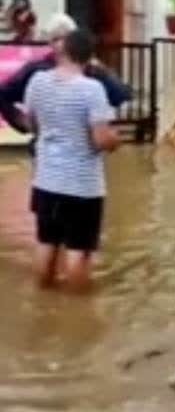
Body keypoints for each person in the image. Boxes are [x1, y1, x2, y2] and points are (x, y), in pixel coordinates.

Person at [22, 30, 120, 290]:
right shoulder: (92, 90)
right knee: (79, 249)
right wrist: (114, 139)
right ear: (90, 57)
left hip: (46, 180)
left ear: (62, 52)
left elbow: (31, 123)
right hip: (82, 186)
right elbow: (101, 140)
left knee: (46, 242)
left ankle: (42, 299)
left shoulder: (37, 81)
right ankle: (77, 314)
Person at [0, 13, 132, 139]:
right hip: (47, 149)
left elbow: (120, 95)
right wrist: (22, 123)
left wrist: (100, 69)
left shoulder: (91, 70)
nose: (61, 44)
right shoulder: (36, 71)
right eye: (56, 39)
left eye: (66, 37)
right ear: (49, 43)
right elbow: (3, 93)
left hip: (83, 147)